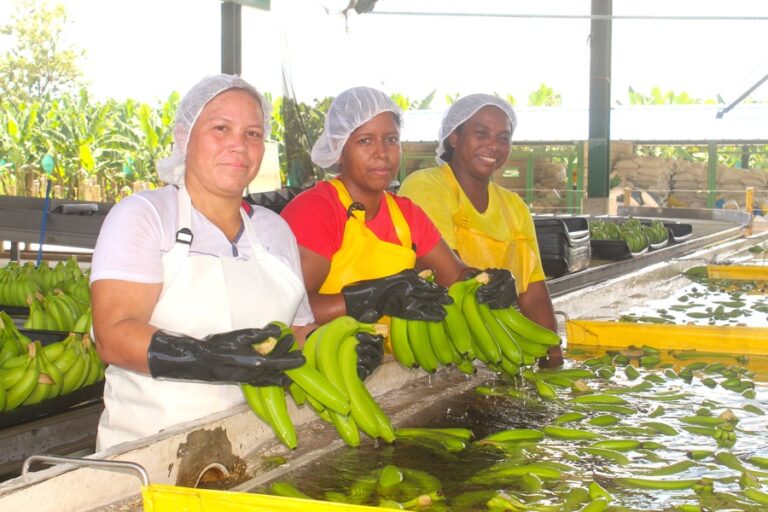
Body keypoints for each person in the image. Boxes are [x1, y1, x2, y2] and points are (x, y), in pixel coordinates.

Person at [90, 75, 316, 451]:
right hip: (152, 452)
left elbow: (297, 331)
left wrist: (338, 342)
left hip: (259, 446)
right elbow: (113, 335)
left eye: (253, 134)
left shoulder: (274, 231)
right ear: (184, 136)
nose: (238, 145)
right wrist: (205, 357)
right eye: (221, 128)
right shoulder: (145, 215)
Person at [280, 86, 515, 329]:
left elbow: (455, 276)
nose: (382, 153)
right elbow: (292, 309)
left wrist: (485, 282)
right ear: (339, 148)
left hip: (393, 352)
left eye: (391, 140)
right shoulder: (316, 210)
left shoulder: (407, 215)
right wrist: (372, 298)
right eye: (365, 141)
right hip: (327, 352)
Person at [398, 94, 563, 367]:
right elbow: (446, 274)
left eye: (503, 137)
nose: (493, 145)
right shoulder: (426, 187)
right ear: (454, 137)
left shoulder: (515, 207)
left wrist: (553, 358)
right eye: (481, 133)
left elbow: (533, 293)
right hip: (441, 348)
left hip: (500, 343)